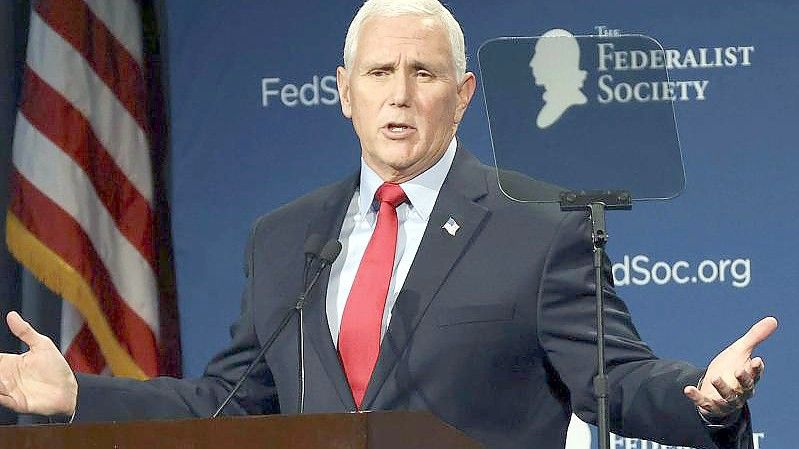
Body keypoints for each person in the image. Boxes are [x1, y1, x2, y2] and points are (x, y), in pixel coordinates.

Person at [0, 1, 777, 448]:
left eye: (424, 73)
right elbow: (231, 401)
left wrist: (704, 396)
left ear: (463, 93)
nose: (399, 95)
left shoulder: (539, 224)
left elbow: (612, 376)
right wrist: (81, 396)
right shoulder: (285, 236)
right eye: (379, 73)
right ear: (343, 91)